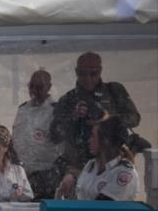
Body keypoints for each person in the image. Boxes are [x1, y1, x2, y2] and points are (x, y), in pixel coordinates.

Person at [51, 51, 145, 196]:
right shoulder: (68, 99)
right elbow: (54, 135)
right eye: (82, 73)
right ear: (76, 72)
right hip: (79, 168)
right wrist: (73, 117)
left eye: (93, 73)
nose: (88, 78)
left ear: (100, 70)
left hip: (112, 166)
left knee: (111, 209)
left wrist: (109, 118)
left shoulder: (114, 91)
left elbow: (134, 118)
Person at [60, 117, 139, 201]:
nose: (89, 140)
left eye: (93, 136)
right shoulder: (92, 165)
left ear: (106, 141)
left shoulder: (123, 173)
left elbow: (101, 208)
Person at [12, 70, 61, 199]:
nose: (34, 90)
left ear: (49, 87)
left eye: (39, 86)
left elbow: (60, 147)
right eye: (31, 86)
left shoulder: (56, 110)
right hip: (21, 173)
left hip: (44, 176)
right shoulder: (23, 109)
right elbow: (15, 138)